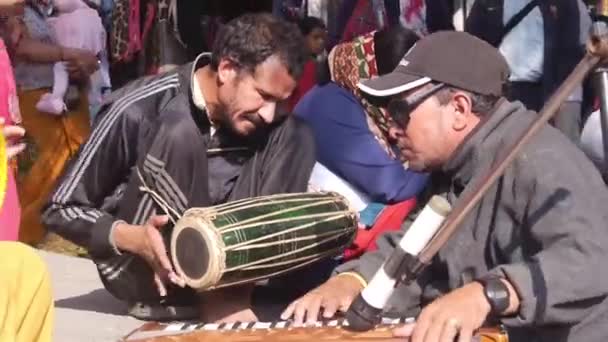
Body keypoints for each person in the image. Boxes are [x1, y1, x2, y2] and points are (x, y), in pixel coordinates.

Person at [282, 31, 608, 342]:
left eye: (400, 111)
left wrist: (487, 294)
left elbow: (594, 258)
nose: (391, 127)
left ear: (459, 109)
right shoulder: (454, 166)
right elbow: (413, 247)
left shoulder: (539, 158)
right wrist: (353, 280)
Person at [43, 13, 314, 322]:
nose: (268, 113)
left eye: (278, 101)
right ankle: (218, 300)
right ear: (226, 69)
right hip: (146, 272)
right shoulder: (137, 109)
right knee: (178, 131)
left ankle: (236, 293)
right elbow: (58, 207)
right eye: (263, 95)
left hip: (233, 276)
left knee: (296, 132)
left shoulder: (265, 122)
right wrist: (132, 237)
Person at [295, 26, 427, 206]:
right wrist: (436, 155)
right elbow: (392, 187)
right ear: (378, 80)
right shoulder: (332, 106)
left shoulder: (345, 94)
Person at [8, 0, 99, 244]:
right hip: (34, 103)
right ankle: (25, 247)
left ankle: (71, 240)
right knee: (36, 186)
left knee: (76, 175)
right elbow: (22, 47)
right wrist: (70, 54)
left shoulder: (58, 9)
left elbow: (84, 55)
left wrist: (84, 65)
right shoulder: (13, 10)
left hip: (69, 102)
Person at [466, 0, 592, 143]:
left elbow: (584, 45)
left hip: (552, 91)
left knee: (555, 148)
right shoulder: (490, 3)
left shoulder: (568, 4)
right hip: (504, 90)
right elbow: (474, 40)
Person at [286, 16, 327, 111]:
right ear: (302, 37)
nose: (321, 42)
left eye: (323, 38)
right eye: (316, 37)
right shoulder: (293, 64)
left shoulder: (321, 67)